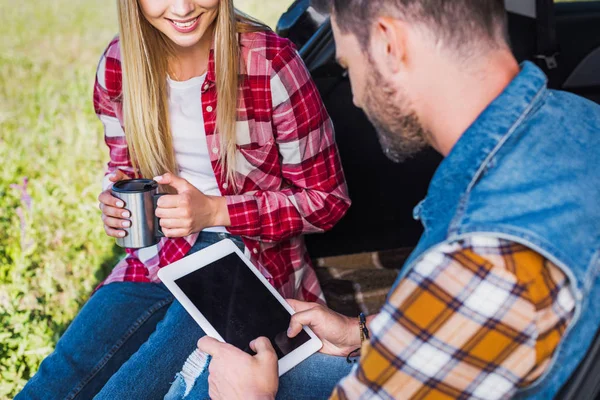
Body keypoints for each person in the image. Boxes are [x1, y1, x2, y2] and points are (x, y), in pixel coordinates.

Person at [166, 0, 600, 399]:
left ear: (389, 44)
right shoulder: (578, 119)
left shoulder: (482, 258)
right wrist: (361, 332)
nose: (354, 94)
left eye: (348, 65)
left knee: (208, 373)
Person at [16, 0, 350, 399]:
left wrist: (214, 210)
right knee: (63, 372)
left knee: (131, 385)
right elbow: (123, 168)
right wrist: (114, 199)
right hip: (156, 254)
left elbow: (327, 199)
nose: (182, 7)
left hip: (245, 256)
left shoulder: (269, 61)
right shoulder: (119, 64)